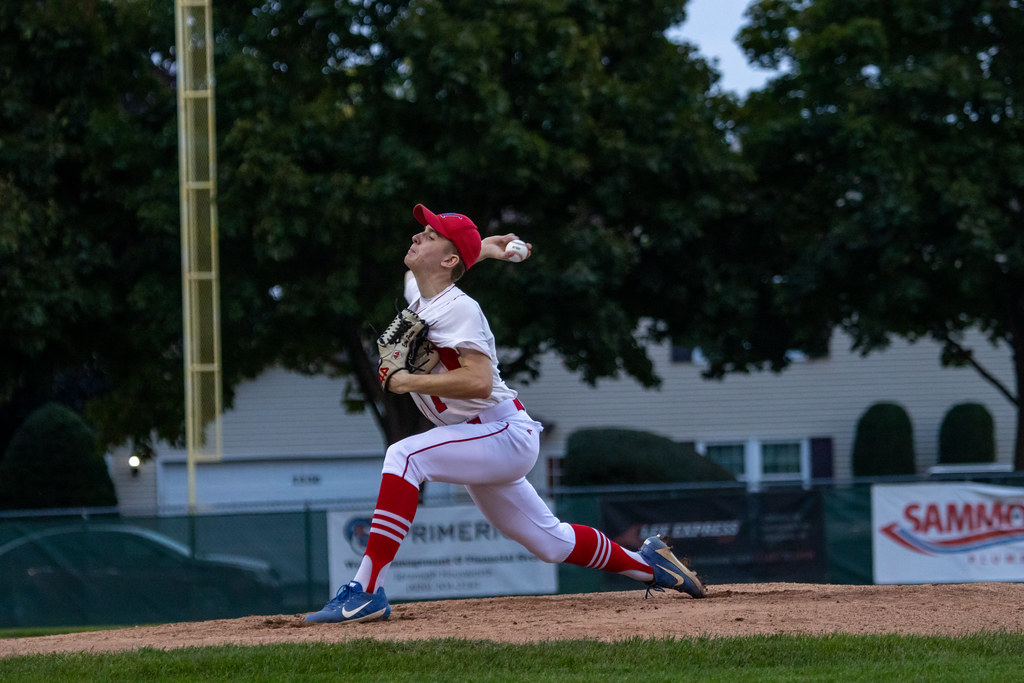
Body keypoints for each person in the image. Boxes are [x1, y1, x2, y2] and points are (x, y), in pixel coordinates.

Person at [305, 203, 705, 623]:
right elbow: (422, 274)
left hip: (500, 432)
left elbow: (477, 382)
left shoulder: (460, 309)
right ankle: (651, 565)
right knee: (549, 543)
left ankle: (366, 591)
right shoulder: (421, 298)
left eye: (430, 234)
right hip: (478, 439)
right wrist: (485, 250)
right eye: (422, 230)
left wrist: (408, 382)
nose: (417, 236)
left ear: (447, 257)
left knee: (405, 456)